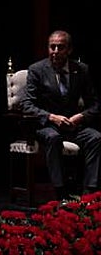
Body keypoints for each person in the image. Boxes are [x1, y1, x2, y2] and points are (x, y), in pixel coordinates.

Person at [20, 29, 101, 198]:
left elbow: (95, 104)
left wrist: (81, 116)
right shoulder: (37, 70)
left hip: (72, 125)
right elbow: (27, 104)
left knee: (95, 137)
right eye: (52, 47)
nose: (55, 51)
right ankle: (61, 192)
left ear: (69, 50)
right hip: (47, 126)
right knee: (52, 137)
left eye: (60, 47)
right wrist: (51, 117)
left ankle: (89, 192)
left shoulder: (81, 69)